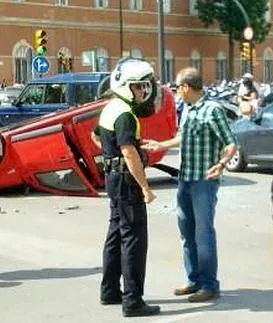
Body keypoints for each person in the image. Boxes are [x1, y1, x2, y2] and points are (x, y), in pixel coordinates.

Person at [142, 67, 237, 303]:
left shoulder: (212, 110)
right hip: (185, 179)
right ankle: (194, 280)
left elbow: (230, 143)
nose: (176, 92)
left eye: (177, 87)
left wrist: (222, 164)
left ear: (186, 87)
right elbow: (183, 137)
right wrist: (161, 145)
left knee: (203, 233)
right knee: (187, 232)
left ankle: (209, 284)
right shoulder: (188, 109)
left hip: (204, 182)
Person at [90, 59, 160, 317]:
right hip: (127, 182)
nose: (143, 92)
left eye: (143, 87)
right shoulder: (125, 115)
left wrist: (110, 157)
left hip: (113, 179)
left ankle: (109, 290)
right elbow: (129, 152)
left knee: (116, 234)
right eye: (138, 87)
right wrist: (145, 187)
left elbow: (95, 135)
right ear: (125, 87)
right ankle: (133, 301)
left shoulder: (110, 108)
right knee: (134, 240)